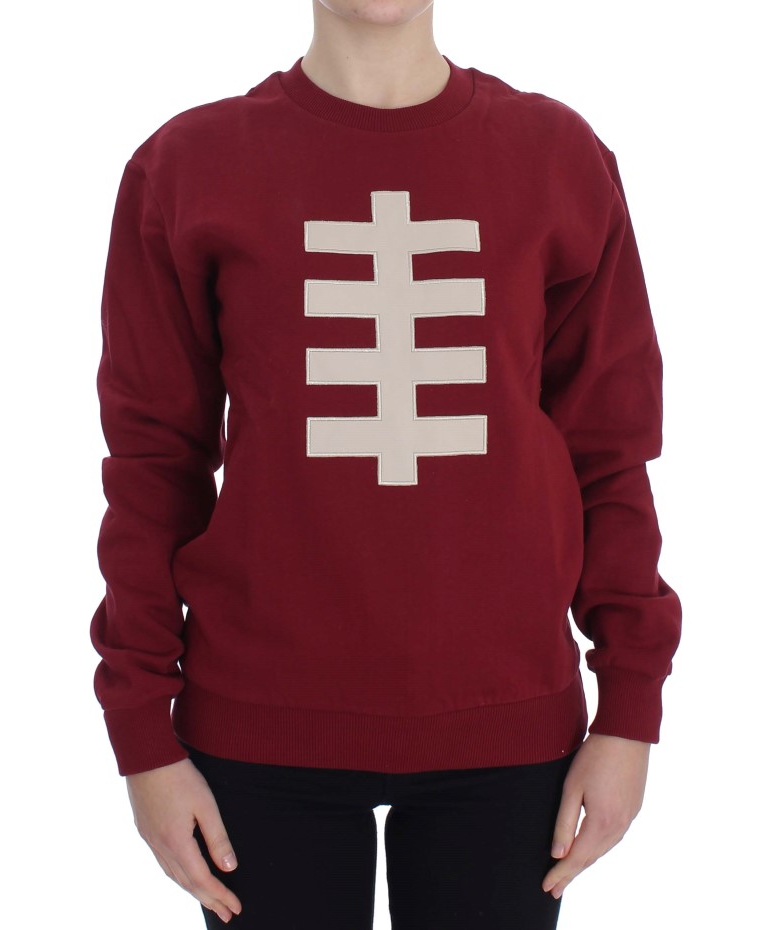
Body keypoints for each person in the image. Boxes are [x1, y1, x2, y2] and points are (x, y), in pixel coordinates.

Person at [90, 2, 682, 927]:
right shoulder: (188, 167)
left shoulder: (557, 157)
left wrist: (629, 709)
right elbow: (151, 464)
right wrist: (142, 738)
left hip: (508, 722)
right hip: (258, 721)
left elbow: (609, 452)